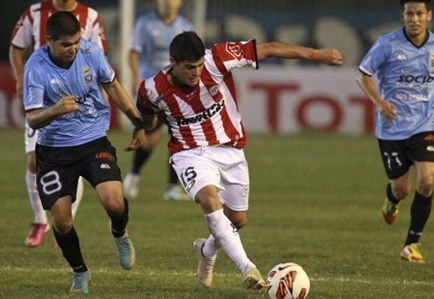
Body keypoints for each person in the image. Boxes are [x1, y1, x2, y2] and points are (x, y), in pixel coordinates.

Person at [135, 31, 343, 290]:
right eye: (189, 67)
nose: (196, 72)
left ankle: (206, 250)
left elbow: (269, 48)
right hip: (188, 153)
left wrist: (315, 54)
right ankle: (248, 268)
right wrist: (140, 130)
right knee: (210, 200)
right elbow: (145, 112)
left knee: (237, 220)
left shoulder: (217, 59)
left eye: (199, 66)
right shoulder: (152, 88)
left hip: (230, 149)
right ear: (172, 62)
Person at [23, 11, 143, 293]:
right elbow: (32, 119)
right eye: (66, 44)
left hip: (93, 141)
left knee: (114, 203)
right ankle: (80, 272)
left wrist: (137, 121)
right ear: (49, 41)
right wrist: (55, 110)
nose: (73, 49)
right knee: (63, 221)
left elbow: (111, 85)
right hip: (54, 151)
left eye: (76, 41)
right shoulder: (36, 67)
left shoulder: (90, 52)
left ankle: (119, 232)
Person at [356, 0, 434, 263]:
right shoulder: (386, 44)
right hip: (391, 128)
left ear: (429, 15)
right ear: (402, 16)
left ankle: (411, 245)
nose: (414, 19)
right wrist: (379, 102)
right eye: (408, 14)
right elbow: (363, 76)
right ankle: (392, 201)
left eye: (419, 13)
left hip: (425, 125)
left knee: (426, 182)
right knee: (402, 188)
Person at [10, 0, 108, 247]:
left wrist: (100, 92)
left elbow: (98, 58)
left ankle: (65, 223)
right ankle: (40, 219)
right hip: (41, 100)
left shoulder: (90, 17)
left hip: (76, 101)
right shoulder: (34, 13)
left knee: (74, 160)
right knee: (33, 161)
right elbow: (17, 48)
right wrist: (19, 78)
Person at [123, 0, 193, 201]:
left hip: (177, 91)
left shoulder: (186, 27)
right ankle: (134, 174)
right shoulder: (145, 23)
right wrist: (136, 78)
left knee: (180, 137)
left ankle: (172, 186)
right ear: (158, 0)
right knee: (151, 138)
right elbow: (133, 53)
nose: (169, 1)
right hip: (152, 90)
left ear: (179, 1)